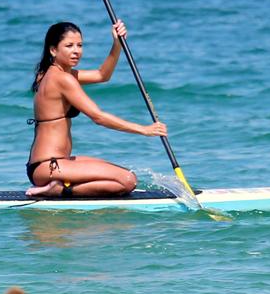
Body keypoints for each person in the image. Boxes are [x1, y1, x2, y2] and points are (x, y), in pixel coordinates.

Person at [25, 20, 167, 197]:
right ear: (53, 50)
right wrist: (144, 130)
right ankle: (60, 189)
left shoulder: (48, 74)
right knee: (128, 181)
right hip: (49, 165)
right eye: (69, 46)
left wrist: (117, 44)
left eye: (80, 45)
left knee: (123, 174)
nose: (76, 51)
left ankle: (58, 186)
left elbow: (102, 75)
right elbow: (98, 117)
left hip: (50, 164)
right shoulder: (63, 79)